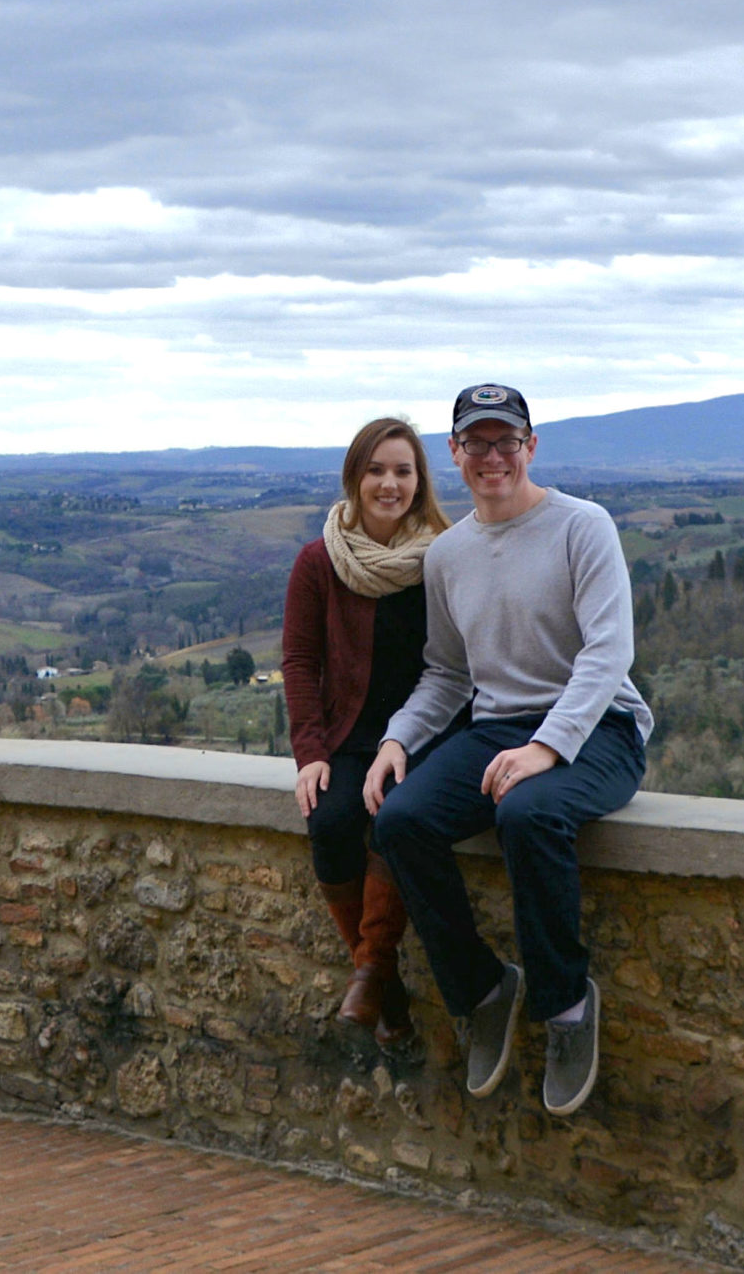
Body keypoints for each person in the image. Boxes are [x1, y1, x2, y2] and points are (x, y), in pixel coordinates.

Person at [365, 383, 650, 1116]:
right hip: (497, 729)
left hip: (599, 726)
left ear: (531, 445)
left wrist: (550, 746)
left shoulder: (582, 526)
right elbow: (447, 671)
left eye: (507, 440)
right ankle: (485, 990)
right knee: (400, 820)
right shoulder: (450, 554)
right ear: (454, 454)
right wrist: (398, 737)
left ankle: (564, 1008)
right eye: (477, 442)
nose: (493, 456)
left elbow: (608, 652)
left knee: (527, 814)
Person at [282, 417, 449, 1047]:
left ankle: (372, 972)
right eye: (376, 469)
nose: (389, 483)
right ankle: (383, 979)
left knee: (393, 819)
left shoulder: (442, 557)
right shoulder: (320, 561)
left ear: (419, 481)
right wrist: (310, 752)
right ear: (355, 477)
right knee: (327, 821)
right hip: (349, 730)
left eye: (402, 471)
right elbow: (300, 660)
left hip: (425, 733)